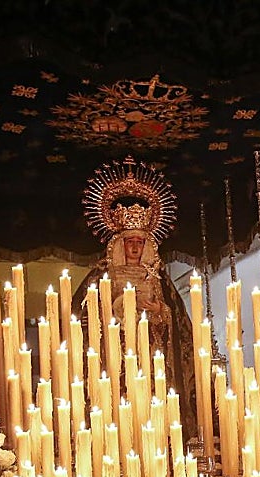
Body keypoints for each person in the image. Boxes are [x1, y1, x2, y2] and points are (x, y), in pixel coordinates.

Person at [77, 158, 197, 432]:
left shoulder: (158, 278)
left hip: (151, 352)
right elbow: (87, 318)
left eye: (139, 242)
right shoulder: (103, 276)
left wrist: (156, 310)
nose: (134, 247)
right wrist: (120, 307)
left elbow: (175, 322)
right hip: (115, 351)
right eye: (129, 242)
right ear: (119, 244)